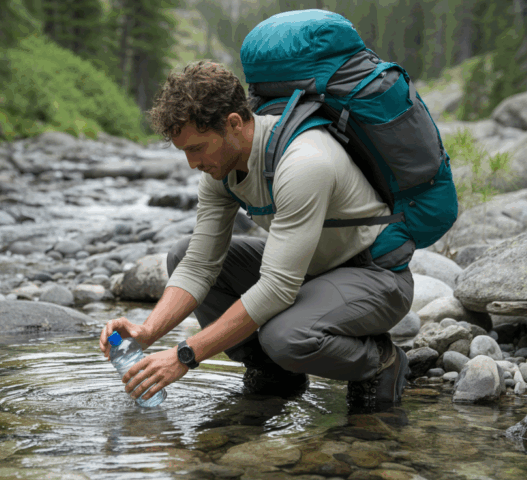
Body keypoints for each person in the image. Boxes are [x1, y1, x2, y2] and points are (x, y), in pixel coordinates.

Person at [98, 61, 413, 412]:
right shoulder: (220, 169)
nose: (191, 163)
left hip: (374, 275)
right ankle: (273, 371)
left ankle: (380, 361)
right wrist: (148, 331)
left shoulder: (304, 162)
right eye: (184, 151)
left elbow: (278, 288)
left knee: (285, 336)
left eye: (197, 148)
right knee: (181, 253)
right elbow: (200, 265)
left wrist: (185, 355)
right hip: (310, 269)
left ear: (234, 123)